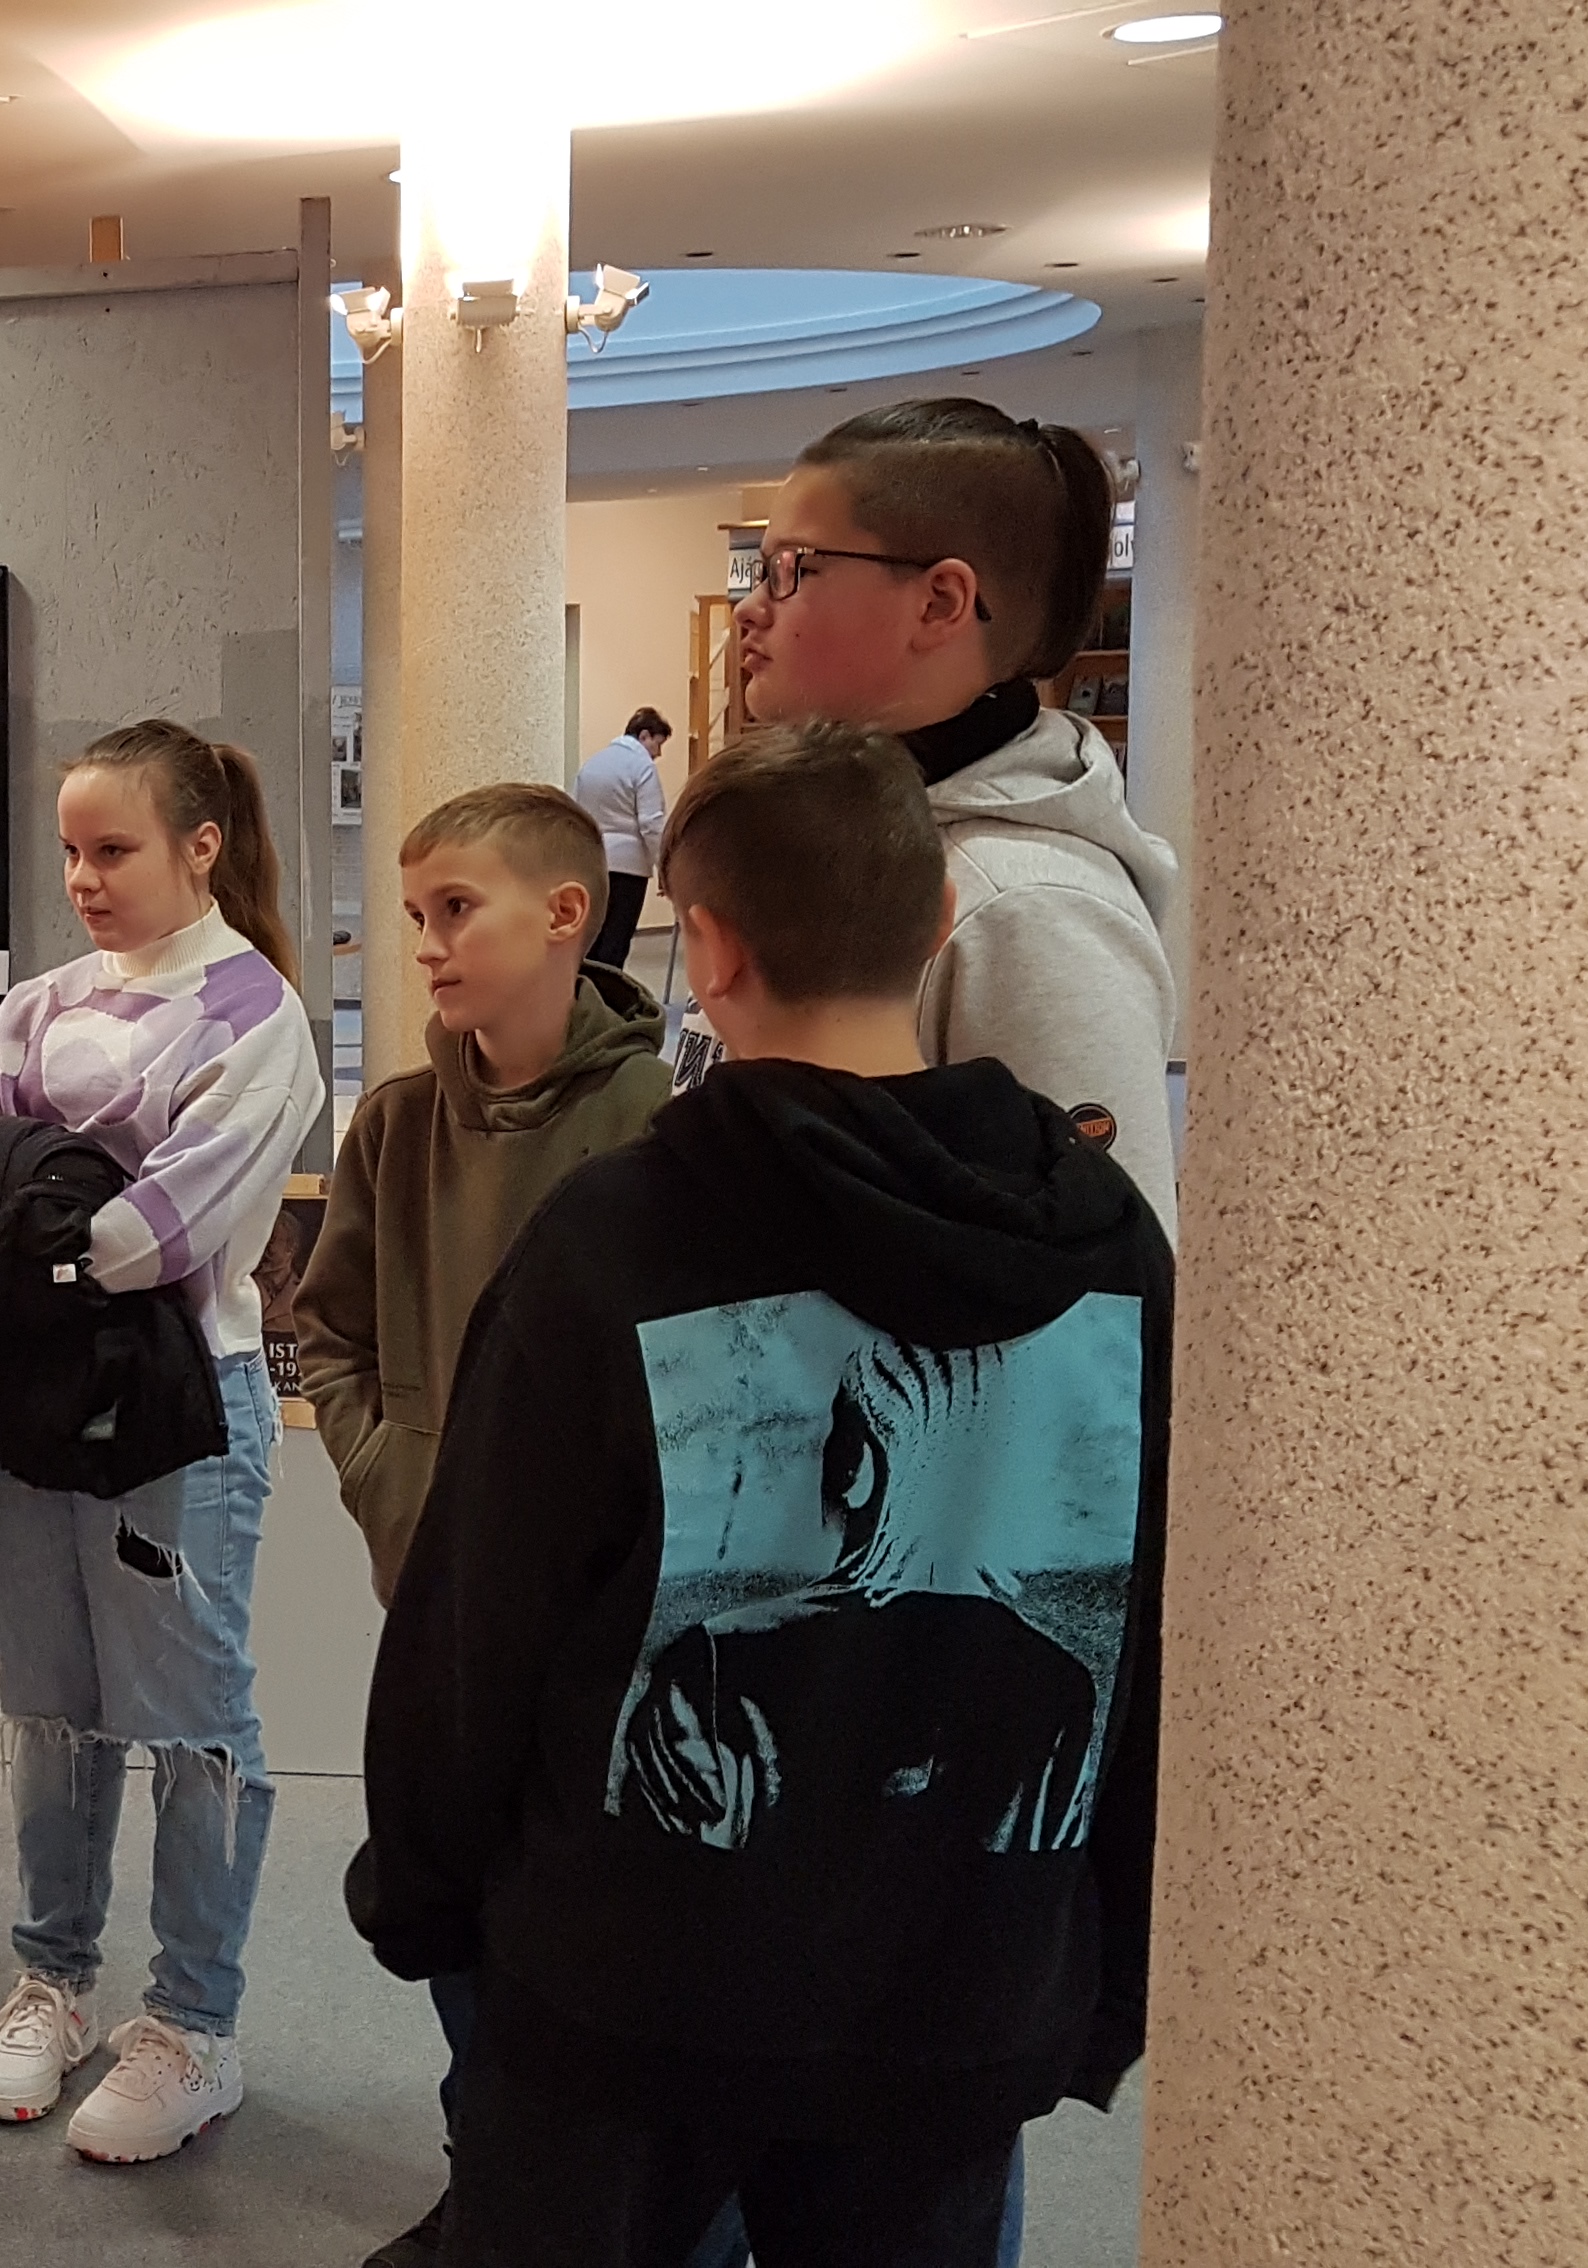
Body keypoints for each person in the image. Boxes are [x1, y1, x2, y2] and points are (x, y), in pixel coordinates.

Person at [352, 721, 1171, 2268]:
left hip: (633, 1986)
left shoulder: (621, 1232)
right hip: (962, 1979)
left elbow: (484, 1617)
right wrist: (1101, 1960)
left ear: (708, 949)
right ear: (940, 921)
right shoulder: (1112, 1242)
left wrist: (427, 1890)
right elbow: (1150, 1610)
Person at [0, 719, 326, 2165]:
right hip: (23, 1399)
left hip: (175, 1413)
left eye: (113, 849)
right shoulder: (40, 1005)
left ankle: (193, 2021)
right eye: (70, 850)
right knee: (50, 1707)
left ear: (201, 844)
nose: (84, 879)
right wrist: (0, 1223)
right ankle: (53, 1980)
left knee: (187, 1716)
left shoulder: (255, 1018)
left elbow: (150, 1239)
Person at [295, 782, 672, 2268]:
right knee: (447, 1906)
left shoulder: (660, 1124)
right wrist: (395, 1480)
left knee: (584, 1936)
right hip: (438, 1611)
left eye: (458, 910)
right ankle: (486, 2181)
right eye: (416, 917)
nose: (428, 947)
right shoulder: (394, 1123)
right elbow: (328, 1333)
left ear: (567, 915)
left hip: (602, 1630)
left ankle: (573, 2203)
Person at [735, 397, 1180, 1239]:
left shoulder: (1029, 911)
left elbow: (1104, 1281)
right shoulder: (845, 843)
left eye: (790, 570)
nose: (752, 609)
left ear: (940, 603)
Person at [570, 707, 673, 976]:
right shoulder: (642, 767)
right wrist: (664, 865)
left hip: (593, 862)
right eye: (658, 744)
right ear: (644, 735)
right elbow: (651, 823)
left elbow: (576, 813)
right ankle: (610, 996)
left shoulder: (592, 764)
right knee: (616, 941)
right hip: (629, 867)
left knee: (592, 940)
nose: (658, 753)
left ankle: (585, 993)